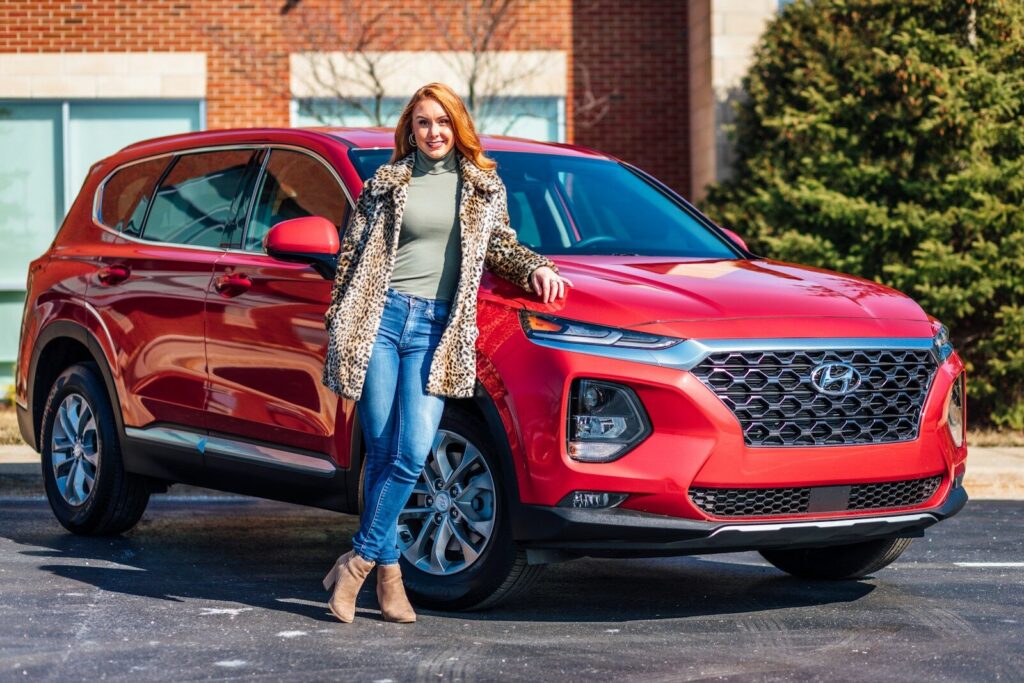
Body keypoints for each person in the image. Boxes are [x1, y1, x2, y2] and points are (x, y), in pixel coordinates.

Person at [320, 82, 573, 623]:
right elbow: (350, 257)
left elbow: (500, 245)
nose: (433, 132)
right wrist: (340, 319)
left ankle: (357, 561)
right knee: (384, 452)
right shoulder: (386, 184)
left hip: (438, 329)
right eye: (422, 123)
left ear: (457, 126)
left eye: (442, 122)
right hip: (380, 321)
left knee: (413, 451)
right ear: (409, 131)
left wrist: (535, 267)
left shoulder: (483, 187)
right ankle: (391, 581)